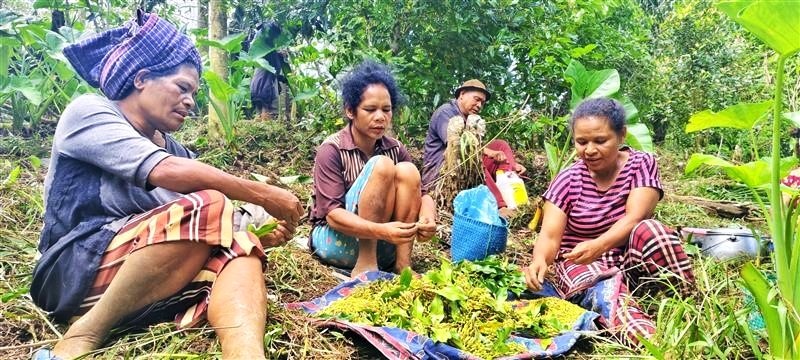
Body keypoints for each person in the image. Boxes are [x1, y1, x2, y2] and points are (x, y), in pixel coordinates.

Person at [30, 12, 303, 360]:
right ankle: (83, 334)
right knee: (211, 205)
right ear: (142, 78)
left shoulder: (171, 146)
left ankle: (246, 354)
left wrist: (259, 233)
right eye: (182, 88)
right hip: (69, 274)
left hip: (136, 280)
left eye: (193, 93)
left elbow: (200, 227)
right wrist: (261, 192)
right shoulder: (90, 113)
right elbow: (172, 176)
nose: (190, 101)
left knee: (243, 244)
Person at [522, 98, 695, 345]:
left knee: (653, 231)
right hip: (581, 262)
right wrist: (539, 261)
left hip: (630, 259)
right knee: (605, 292)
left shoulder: (641, 164)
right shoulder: (567, 180)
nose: (589, 150)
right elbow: (549, 236)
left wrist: (599, 245)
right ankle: (654, 343)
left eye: (600, 141)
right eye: (581, 142)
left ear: (621, 135)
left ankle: (687, 309)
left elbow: (636, 217)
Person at [309, 61, 437, 278]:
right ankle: (366, 265)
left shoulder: (395, 148)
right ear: (350, 111)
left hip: (386, 247)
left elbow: (422, 194)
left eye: (386, 110)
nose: (380, 117)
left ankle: (403, 265)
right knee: (382, 165)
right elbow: (332, 215)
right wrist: (380, 230)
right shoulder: (332, 149)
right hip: (337, 243)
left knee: (407, 170)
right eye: (370, 109)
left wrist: (427, 218)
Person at [421, 79, 526, 217]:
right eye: (476, 99)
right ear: (462, 94)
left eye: (482, 102)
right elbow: (458, 145)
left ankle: (511, 186)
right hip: (441, 174)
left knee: (500, 145)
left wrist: (510, 163)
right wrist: (489, 153)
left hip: (463, 170)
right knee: (476, 157)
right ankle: (500, 206)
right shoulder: (445, 112)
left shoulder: (469, 119)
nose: (479, 105)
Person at [249, 21, 289, 121]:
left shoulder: (261, 50)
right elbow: (272, 68)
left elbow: (272, 69)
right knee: (266, 113)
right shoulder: (267, 49)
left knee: (260, 114)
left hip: (256, 87)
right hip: (265, 88)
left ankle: (260, 129)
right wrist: (279, 55)